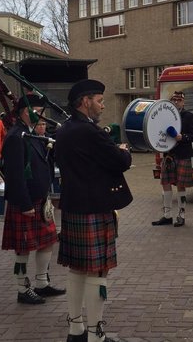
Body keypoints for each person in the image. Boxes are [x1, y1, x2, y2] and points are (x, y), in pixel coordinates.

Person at [55, 79, 132, 342]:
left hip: (74, 206)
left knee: (76, 269)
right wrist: (123, 150)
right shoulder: (90, 132)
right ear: (85, 101)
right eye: (99, 100)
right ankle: (95, 334)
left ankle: (75, 329)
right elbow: (119, 161)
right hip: (95, 207)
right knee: (98, 271)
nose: (102, 104)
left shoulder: (64, 130)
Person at [1, 94, 65, 305]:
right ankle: (22, 288)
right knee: (23, 248)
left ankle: (41, 283)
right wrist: (25, 203)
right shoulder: (15, 137)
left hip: (40, 198)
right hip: (26, 202)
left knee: (47, 243)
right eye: (37, 112)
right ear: (25, 112)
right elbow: (14, 174)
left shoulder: (31, 135)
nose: (41, 116)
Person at [152, 91, 193, 228]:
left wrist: (182, 137)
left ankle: (181, 215)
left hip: (183, 154)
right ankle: (167, 216)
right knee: (165, 183)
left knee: (180, 185)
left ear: (183, 102)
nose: (176, 101)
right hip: (168, 155)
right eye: (174, 99)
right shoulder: (165, 116)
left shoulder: (188, 116)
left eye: (179, 100)